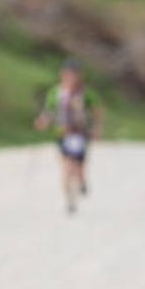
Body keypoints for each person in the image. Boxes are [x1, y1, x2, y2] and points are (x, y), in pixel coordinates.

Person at [34, 59, 103, 214]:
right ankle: (69, 200)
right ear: (63, 75)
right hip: (62, 133)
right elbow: (49, 111)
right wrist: (42, 121)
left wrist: (97, 127)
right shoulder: (55, 92)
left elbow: (97, 110)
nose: (71, 78)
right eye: (68, 74)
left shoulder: (86, 93)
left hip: (81, 133)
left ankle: (81, 180)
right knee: (66, 167)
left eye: (74, 74)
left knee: (79, 166)